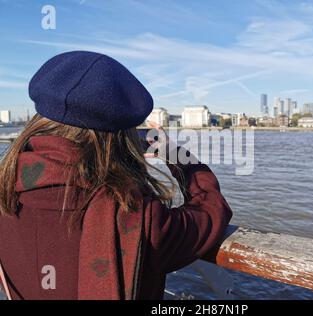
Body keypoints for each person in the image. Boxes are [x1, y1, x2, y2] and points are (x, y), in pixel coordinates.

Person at [0, 51, 232, 300]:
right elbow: (212, 210)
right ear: (123, 139)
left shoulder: (7, 191)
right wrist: (176, 156)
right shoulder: (138, 217)